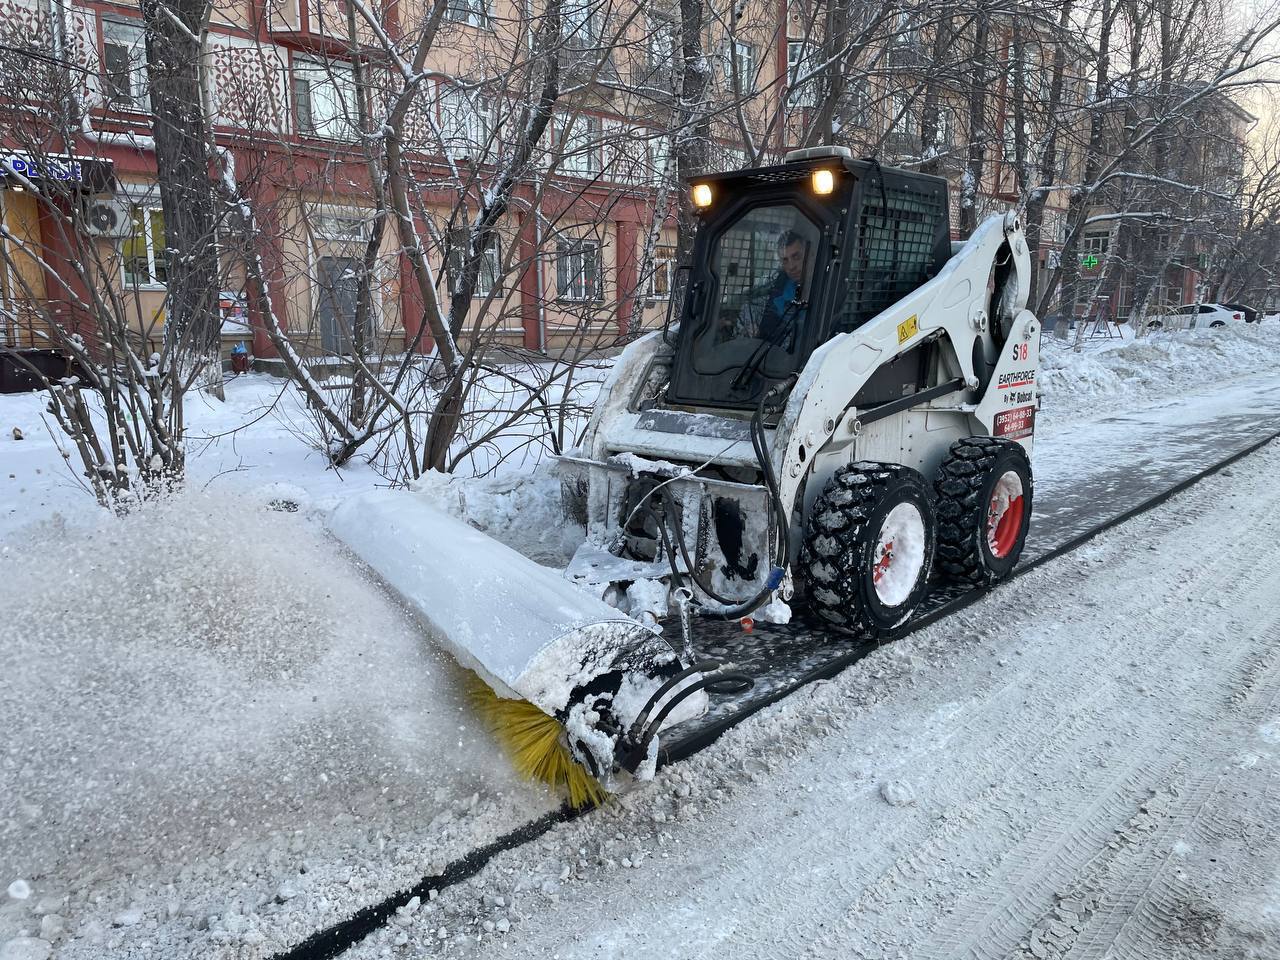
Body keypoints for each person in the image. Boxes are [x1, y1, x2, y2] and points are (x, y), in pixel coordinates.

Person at [729, 229, 809, 347]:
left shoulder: (827, 288)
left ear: (808, 255)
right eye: (785, 260)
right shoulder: (776, 292)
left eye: (796, 257)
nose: (791, 266)